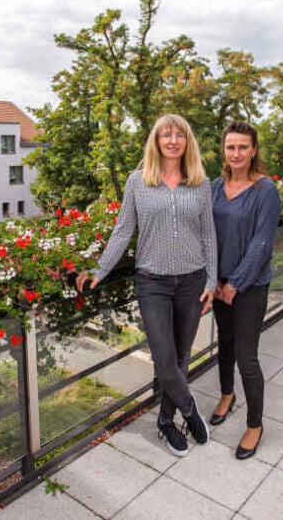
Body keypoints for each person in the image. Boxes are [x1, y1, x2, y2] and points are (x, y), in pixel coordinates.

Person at [77, 114, 217, 457]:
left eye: (179, 135)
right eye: (165, 135)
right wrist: (100, 270)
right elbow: (123, 230)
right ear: (155, 141)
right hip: (152, 282)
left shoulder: (200, 183)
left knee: (182, 358)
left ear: (187, 142)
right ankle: (189, 409)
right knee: (165, 359)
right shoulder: (137, 182)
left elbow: (209, 234)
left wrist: (212, 279)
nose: (172, 141)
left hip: (192, 280)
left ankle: (166, 423)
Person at [209, 121, 281, 460]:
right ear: (223, 150)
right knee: (225, 344)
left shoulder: (266, 190)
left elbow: (262, 243)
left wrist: (236, 283)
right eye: (230, 147)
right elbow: (206, 235)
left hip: (249, 286)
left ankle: (255, 425)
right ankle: (227, 395)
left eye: (242, 147)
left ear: (254, 150)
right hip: (220, 284)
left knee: (247, 357)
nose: (236, 153)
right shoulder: (213, 187)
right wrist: (216, 281)